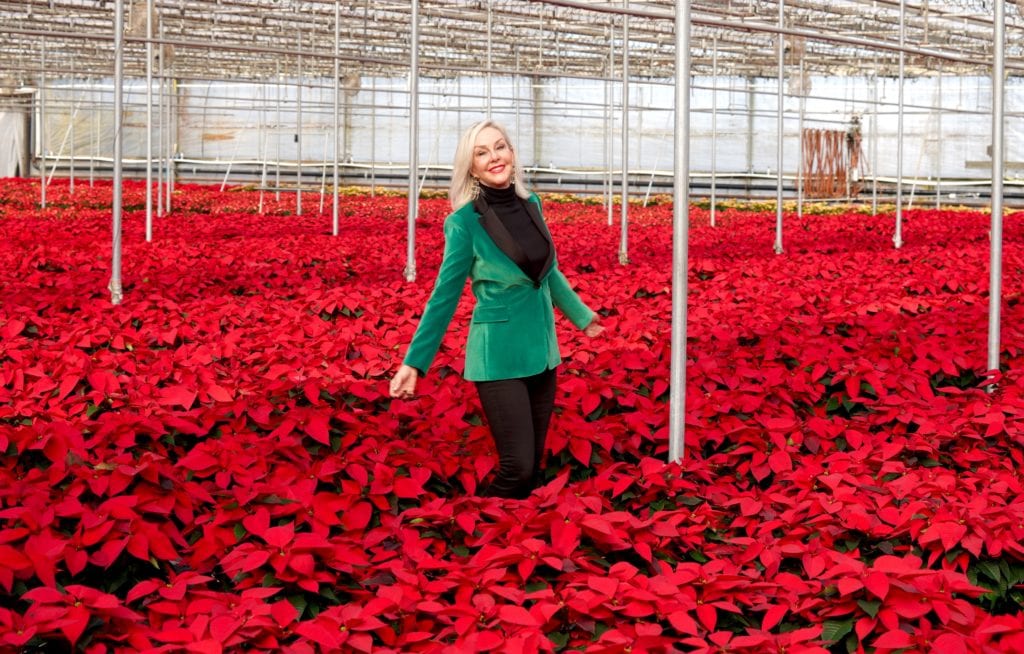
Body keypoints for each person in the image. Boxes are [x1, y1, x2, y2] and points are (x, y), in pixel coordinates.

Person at [389, 119, 604, 499]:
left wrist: (582, 317)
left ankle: (512, 547)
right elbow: (444, 296)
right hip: (497, 356)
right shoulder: (464, 223)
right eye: (482, 152)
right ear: (471, 167)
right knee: (516, 469)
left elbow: (546, 270)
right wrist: (414, 362)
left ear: (512, 153)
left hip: (542, 351)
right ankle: (473, 534)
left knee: (532, 466)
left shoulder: (531, 204)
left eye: (500, 147)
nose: (494, 157)